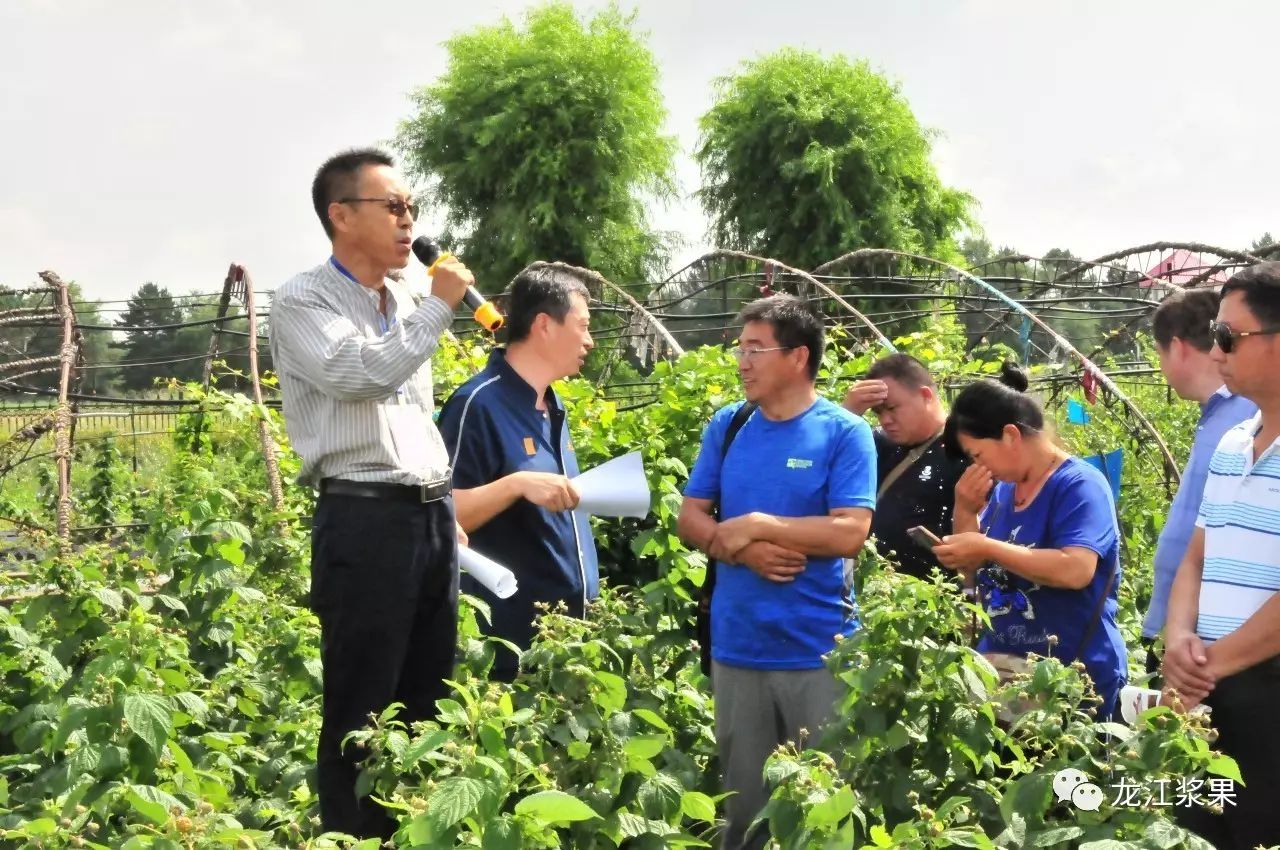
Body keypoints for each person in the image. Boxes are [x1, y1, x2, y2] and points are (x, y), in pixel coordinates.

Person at [268, 148, 473, 839]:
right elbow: (360, 374)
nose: (407, 221)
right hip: (364, 520)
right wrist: (439, 310)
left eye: (411, 208)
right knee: (361, 708)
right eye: (393, 207)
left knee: (425, 702)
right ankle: (355, 836)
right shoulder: (305, 299)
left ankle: (411, 831)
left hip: (430, 518)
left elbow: (412, 417)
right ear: (341, 215)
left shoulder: (411, 300)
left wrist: (444, 504)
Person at [676, 294, 876, 850]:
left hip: (819, 651)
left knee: (826, 814)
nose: (743, 361)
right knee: (743, 815)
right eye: (741, 349)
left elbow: (849, 531)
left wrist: (761, 524)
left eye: (756, 349)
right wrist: (739, 550)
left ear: (798, 357)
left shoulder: (843, 432)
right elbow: (690, 517)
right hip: (738, 646)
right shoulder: (731, 424)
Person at [932, 363, 1128, 720]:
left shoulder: (1080, 486)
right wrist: (965, 510)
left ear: (1010, 435)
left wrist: (989, 547)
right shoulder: (1005, 490)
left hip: (1072, 681)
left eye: (978, 455)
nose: (980, 466)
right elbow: (973, 574)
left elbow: (1076, 569)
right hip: (1004, 675)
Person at [1163, 262, 1280, 850]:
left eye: (1230, 336)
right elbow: (1195, 560)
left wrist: (1203, 667)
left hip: (1264, 693)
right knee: (1197, 830)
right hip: (1208, 692)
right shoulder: (1235, 443)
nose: (1216, 349)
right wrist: (1178, 638)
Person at [437, 262, 600, 681]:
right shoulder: (478, 405)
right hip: (507, 652)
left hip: (565, 646)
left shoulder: (553, 405)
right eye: (582, 326)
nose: (590, 340)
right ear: (544, 325)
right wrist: (516, 485)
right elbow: (439, 515)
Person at [1141, 290, 1256, 676]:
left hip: (1219, 649)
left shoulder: (1250, 413)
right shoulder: (1220, 416)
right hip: (1187, 635)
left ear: (1176, 346)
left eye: (1159, 354)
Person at [843, 353, 968, 579]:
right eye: (878, 412)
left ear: (925, 396)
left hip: (935, 598)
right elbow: (819, 468)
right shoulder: (879, 444)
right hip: (880, 596)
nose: (885, 420)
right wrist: (847, 414)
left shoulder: (965, 452)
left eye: (892, 408)